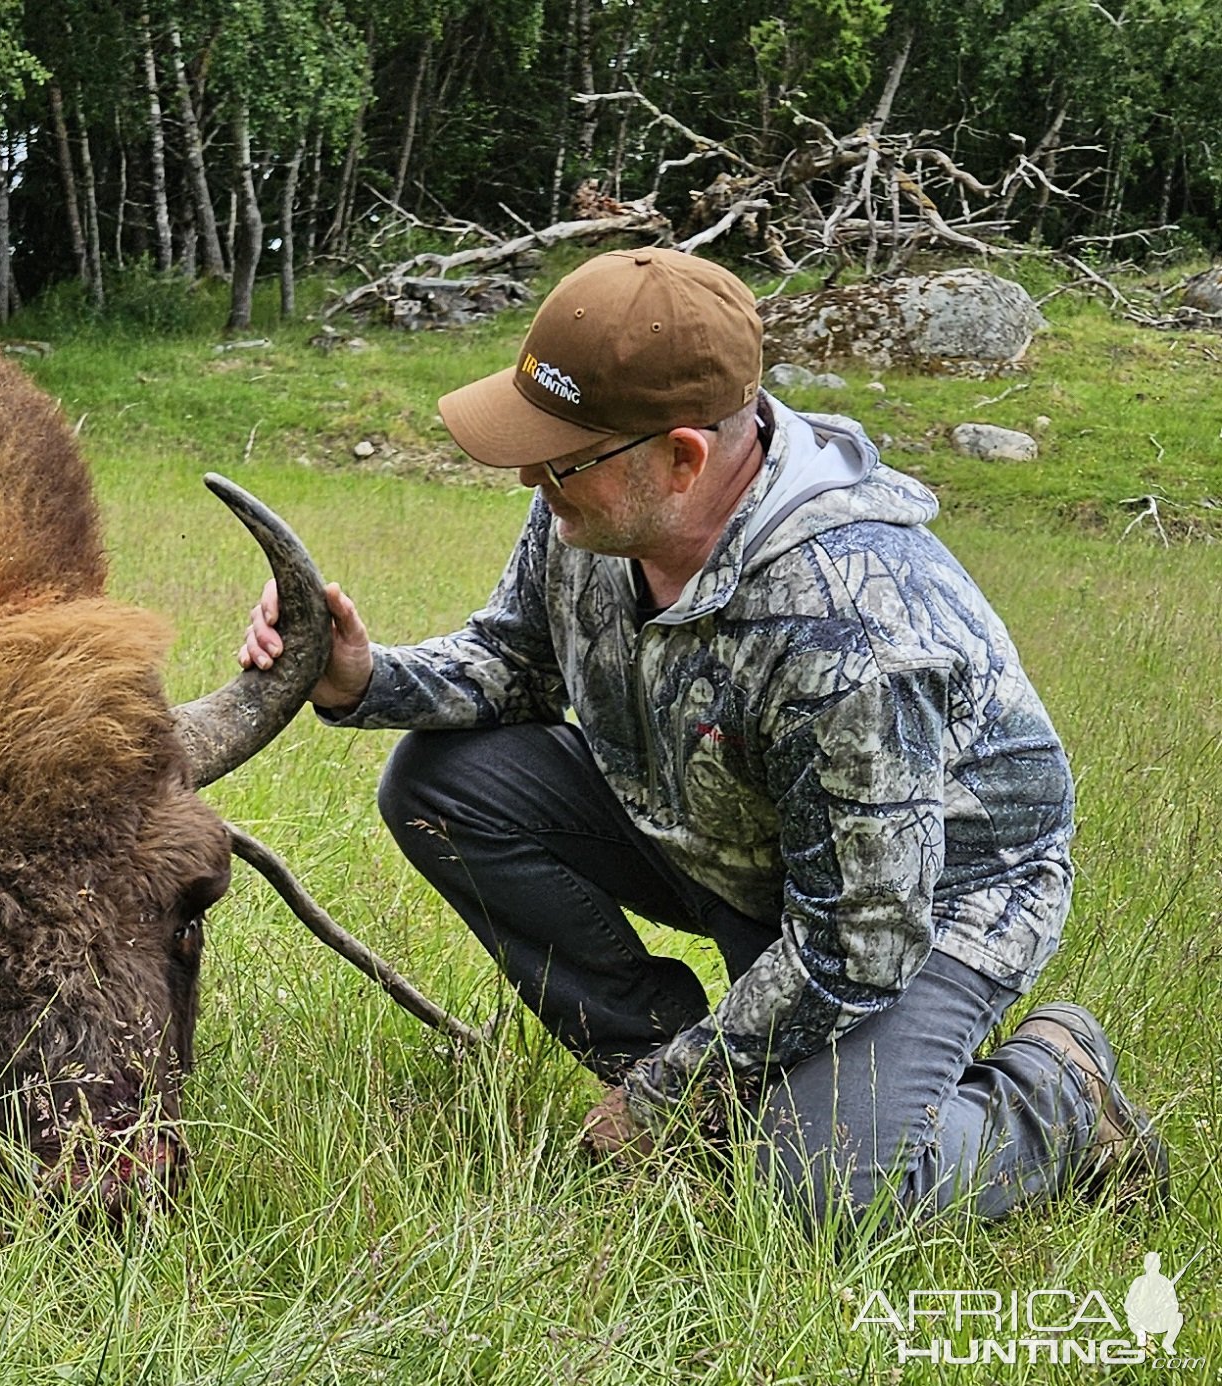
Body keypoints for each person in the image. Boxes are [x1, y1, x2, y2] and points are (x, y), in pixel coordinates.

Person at [240, 248, 1168, 1229]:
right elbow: (517, 659)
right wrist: (362, 676)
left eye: (561, 457)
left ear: (682, 457)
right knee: (444, 784)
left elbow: (860, 942)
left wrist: (662, 1101)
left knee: (823, 1203)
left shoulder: (852, 633)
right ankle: (695, 1086)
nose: (528, 475)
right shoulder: (593, 509)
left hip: (927, 905)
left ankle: (1057, 1098)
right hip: (732, 832)